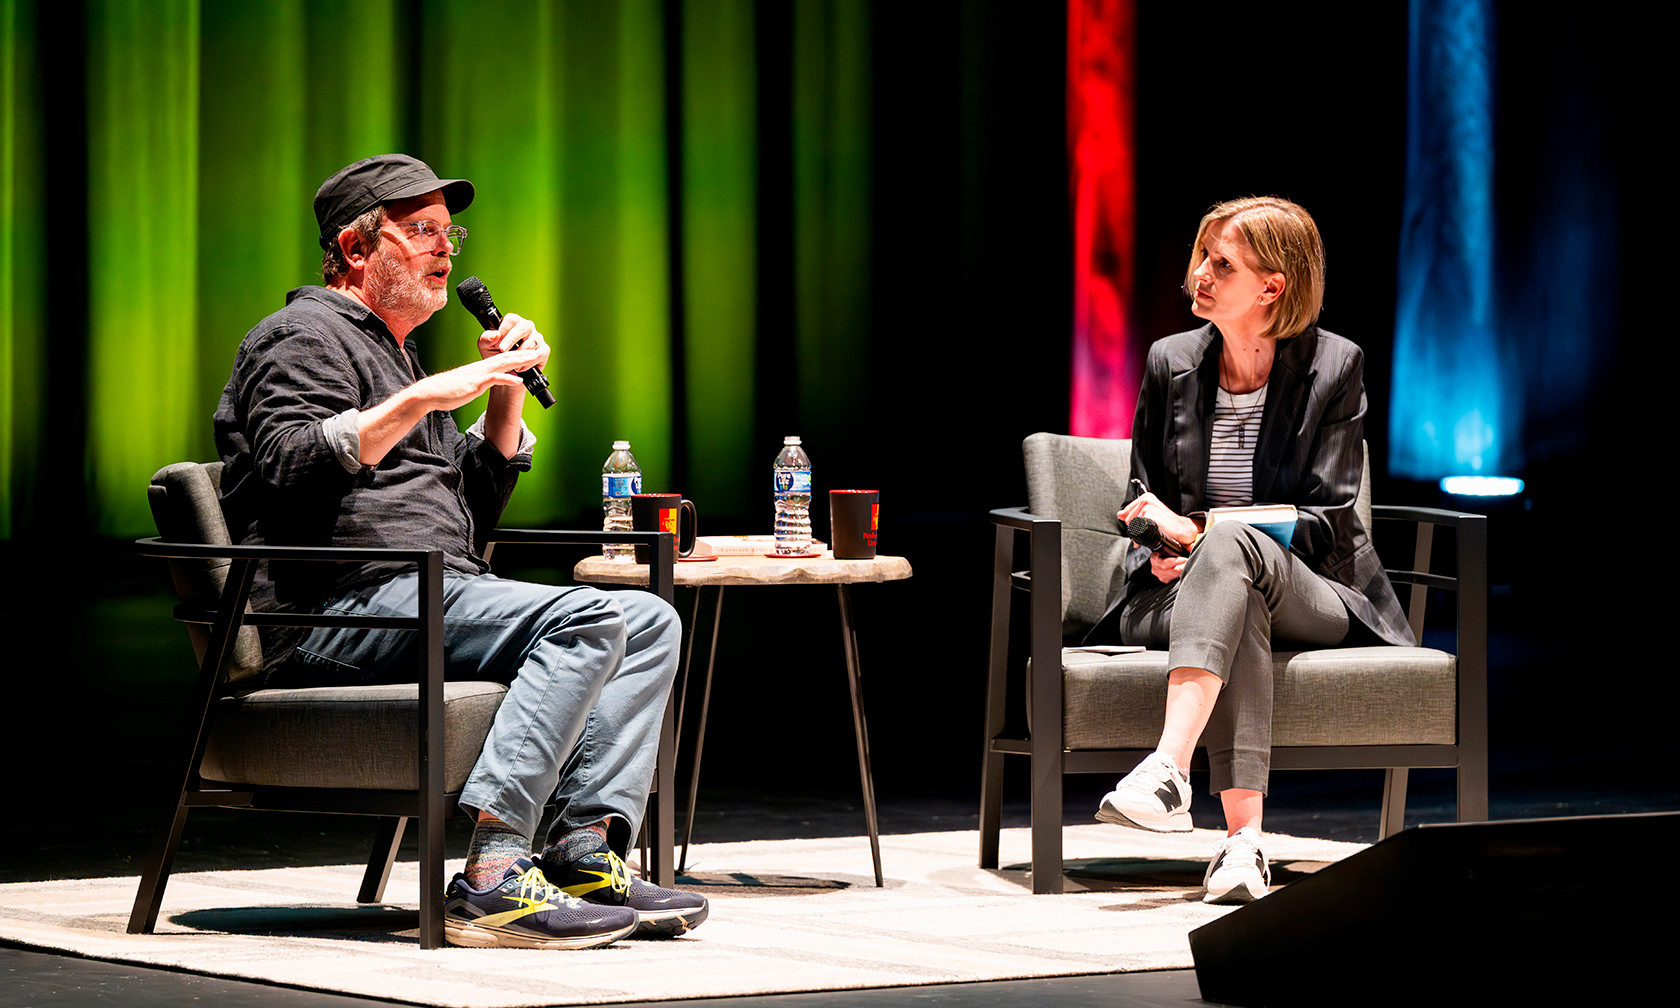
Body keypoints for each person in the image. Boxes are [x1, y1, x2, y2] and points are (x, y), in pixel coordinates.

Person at [213, 153, 707, 949]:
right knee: (584, 620)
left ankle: (581, 849)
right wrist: (425, 396)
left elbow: (464, 517)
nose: (447, 250)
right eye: (422, 232)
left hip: (428, 588)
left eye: (452, 233)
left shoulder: (403, 352)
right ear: (355, 247)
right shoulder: (298, 336)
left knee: (649, 619)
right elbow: (289, 463)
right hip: (336, 609)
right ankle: (491, 875)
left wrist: (504, 389)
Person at [1089, 196, 1413, 905]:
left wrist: (1198, 534)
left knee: (1231, 544)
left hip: (1316, 591)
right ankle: (1243, 848)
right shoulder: (1170, 361)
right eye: (1203, 256)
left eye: (1221, 263)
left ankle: (1170, 767)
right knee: (1236, 601)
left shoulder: (1335, 367)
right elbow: (1142, 494)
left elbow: (1328, 519)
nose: (1199, 274)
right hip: (1176, 593)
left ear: (1274, 286)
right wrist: (1160, 548)